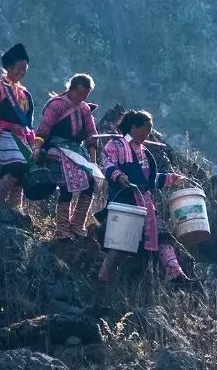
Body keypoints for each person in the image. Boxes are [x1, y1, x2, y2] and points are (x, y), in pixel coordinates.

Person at [97, 110, 190, 283]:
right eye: (145, 130)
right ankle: (104, 274)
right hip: (125, 202)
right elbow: (107, 163)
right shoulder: (115, 145)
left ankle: (175, 272)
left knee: (163, 236)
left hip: (146, 204)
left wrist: (170, 178)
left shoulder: (144, 152)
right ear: (133, 127)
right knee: (121, 242)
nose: (147, 135)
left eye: (149, 131)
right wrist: (118, 175)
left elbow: (148, 179)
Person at [34, 74, 103, 239]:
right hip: (57, 150)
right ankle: (62, 228)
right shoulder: (56, 105)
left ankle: (78, 225)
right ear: (71, 89)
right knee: (66, 186)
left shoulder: (85, 109)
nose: (81, 98)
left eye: (85, 95)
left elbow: (91, 136)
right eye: (79, 94)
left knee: (90, 182)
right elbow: (44, 128)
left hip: (78, 153)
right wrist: (36, 147)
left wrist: (92, 161)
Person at [0, 43, 35, 207]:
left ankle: (14, 209)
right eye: (19, 68)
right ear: (9, 67)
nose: (22, 73)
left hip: (21, 138)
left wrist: (33, 143)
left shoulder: (24, 95)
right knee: (18, 167)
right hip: (3, 135)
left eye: (25, 69)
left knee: (22, 174)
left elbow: (28, 124)